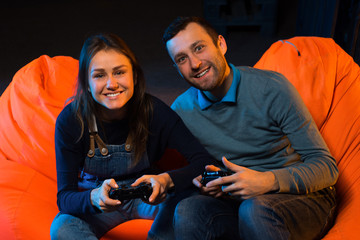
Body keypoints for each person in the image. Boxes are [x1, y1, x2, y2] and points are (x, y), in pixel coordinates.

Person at [163, 16, 339, 240]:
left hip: (303, 198)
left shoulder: (271, 88)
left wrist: (268, 181)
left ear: (221, 44)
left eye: (199, 48)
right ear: (177, 68)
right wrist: (209, 181)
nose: (195, 63)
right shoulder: (181, 110)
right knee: (188, 210)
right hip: (239, 202)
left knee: (255, 210)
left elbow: (326, 167)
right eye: (182, 59)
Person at [50, 32, 218, 240]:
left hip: (148, 197)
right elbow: (65, 198)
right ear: (87, 83)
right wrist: (94, 197)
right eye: (99, 75)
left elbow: (204, 162)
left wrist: (166, 180)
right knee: (62, 227)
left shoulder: (155, 111)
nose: (111, 84)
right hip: (101, 204)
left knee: (193, 204)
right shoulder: (70, 120)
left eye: (119, 72)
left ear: (135, 76)